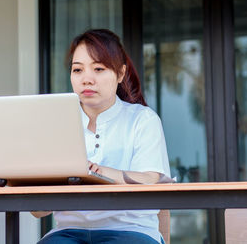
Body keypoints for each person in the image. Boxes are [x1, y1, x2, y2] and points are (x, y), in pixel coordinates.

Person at [33, 29, 171, 244]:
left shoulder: (142, 119)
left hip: (132, 230)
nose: (87, 79)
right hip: (69, 231)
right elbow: (38, 212)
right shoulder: (56, 123)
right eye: (77, 70)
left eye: (98, 69)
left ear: (120, 73)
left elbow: (151, 182)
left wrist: (101, 173)